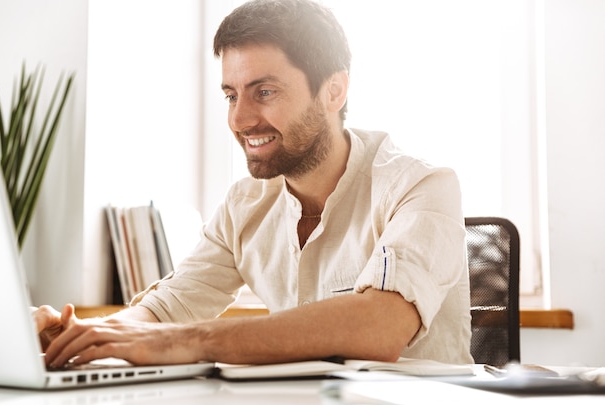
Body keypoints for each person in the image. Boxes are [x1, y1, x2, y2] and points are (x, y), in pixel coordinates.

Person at [35, 0, 473, 368]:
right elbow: (165, 310)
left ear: (334, 91)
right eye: (231, 95)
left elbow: (380, 326)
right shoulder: (246, 204)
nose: (239, 120)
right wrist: (81, 335)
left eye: (264, 92)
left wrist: (184, 341)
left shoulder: (421, 185)